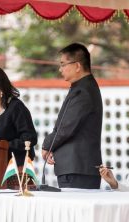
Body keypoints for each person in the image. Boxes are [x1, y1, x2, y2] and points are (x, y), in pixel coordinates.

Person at [42, 43, 103, 189]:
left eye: (63, 64)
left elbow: (67, 126)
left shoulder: (83, 91)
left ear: (77, 66)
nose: (60, 69)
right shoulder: (83, 87)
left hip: (77, 167)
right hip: (77, 167)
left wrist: (47, 144)